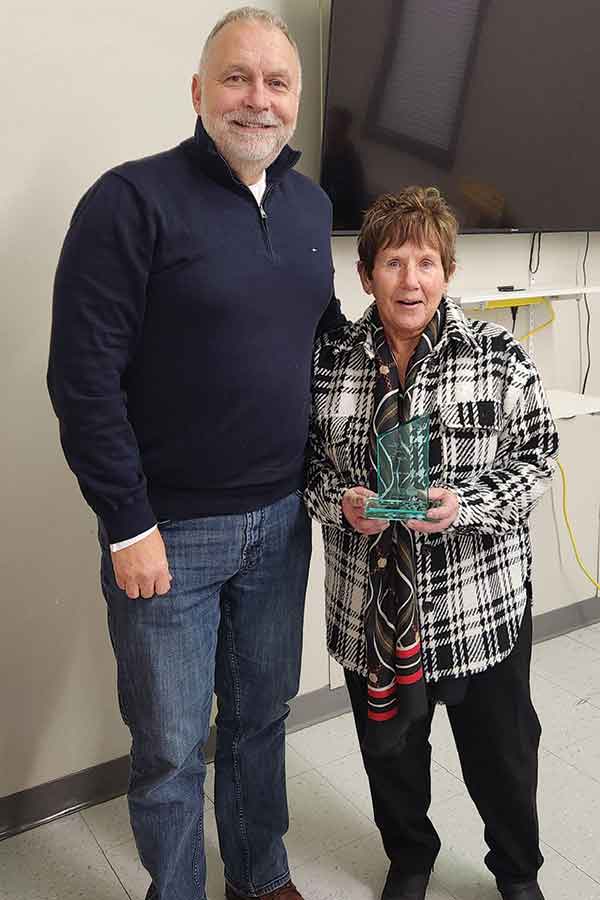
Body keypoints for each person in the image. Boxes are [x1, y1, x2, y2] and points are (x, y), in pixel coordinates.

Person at [47, 8, 344, 900]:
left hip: (282, 519)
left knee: (260, 719)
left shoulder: (311, 205)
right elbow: (82, 378)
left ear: (296, 100)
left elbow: (318, 341)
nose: (259, 98)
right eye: (237, 77)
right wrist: (126, 522)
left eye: (277, 82)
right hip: (167, 532)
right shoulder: (128, 200)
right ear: (199, 91)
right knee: (171, 748)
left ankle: (260, 876)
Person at [304, 187, 558, 900]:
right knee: (391, 753)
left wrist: (466, 504)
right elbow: (309, 470)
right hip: (372, 615)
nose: (409, 280)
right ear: (365, 275)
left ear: (446, 271)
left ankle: (517, 870)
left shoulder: (498, 356)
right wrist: (343, 502)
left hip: (479, 608)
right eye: (391, 261)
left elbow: (538, 457)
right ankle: (410, 855)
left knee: (503, 758)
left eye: (425, 262)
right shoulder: (330, 363)